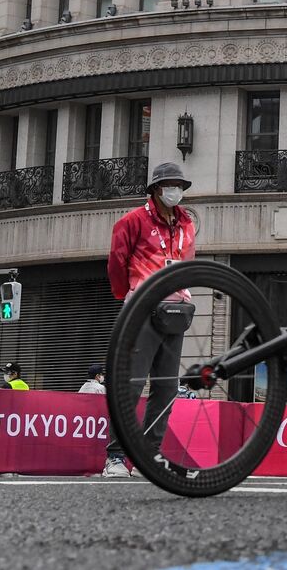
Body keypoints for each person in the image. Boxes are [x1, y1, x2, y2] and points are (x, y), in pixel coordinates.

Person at [102, 161, 197, 479]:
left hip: (176, 311)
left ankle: (149, 455)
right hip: (142, 309)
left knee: (167, 388)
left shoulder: (186, 224)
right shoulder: (132, 221)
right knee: (130, 385)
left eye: (180, 186)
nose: (176, 191)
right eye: (171, 185)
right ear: (156, 189)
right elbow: (117, 262)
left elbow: (188, 263)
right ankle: (115, 457)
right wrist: (125, 297)